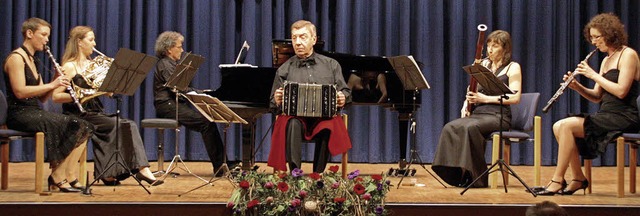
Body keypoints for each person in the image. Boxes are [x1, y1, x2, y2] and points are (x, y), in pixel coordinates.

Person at [534, 13, 640, 196]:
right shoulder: (606, 60)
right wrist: (577, 87)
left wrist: (592, 75)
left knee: (566, 125)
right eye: (591, 38)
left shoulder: (628, 55)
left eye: (597, 37)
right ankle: (578, 178)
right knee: (558, 126)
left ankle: (558, 180)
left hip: (625, 116)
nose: (594, 42)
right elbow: (597, 96)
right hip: (606, 114)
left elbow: (622, 91)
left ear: (610, 34)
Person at [52, 26, 163, 186]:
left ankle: (112, 173)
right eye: (90, 40)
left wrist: (112, 84)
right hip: (78, 114)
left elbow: (106, 93)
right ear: (79, 42)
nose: (94, 43)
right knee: (123, 124)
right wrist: (83, 95)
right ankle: (138, 170)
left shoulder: (93, 65)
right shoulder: (70, 66)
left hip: (96, 112)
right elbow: (56, 96)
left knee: (124, 125)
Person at [2, 18, 93, 192]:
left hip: (34, 111)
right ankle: (58, 176)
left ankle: (67, 174)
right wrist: (52, 85)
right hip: (19, 114)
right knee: (70, 124)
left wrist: (58, 83)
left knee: (85, 125)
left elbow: (43, 97)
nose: (47, 40)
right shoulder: (16, 58)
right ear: (29, 34)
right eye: (43, 35)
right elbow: (20, 91)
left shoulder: (34, 60)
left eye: (48, 36)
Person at [431, 30, 522, 188]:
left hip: (498, 116)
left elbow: (515, 98)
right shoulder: (484, 65)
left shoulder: (513, 68)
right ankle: (458, 175)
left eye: (495, 46)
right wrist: (465, 105)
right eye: (488, 45)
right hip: (479, 113)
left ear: (505, 48)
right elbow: (471, 90)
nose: (490, 49)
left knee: (470, 127)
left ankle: (477, 177)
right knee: (451, 126)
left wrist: (485, 99)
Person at [267, 20, 352, 173]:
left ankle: (317, 175)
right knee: (292, 122)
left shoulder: (331, 65)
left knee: (328, 125)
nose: (298, 42)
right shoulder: (284, 69)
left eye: (303, 37)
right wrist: (277, 99)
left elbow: (346, 92)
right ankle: (295, 174)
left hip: (322, 118)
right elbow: (272, 103)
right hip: (297, 120)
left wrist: (343, 98)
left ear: (314, 39)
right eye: (294, 38)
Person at [153, 31, 227, 176]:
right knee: (207, 123)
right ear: (169, 49)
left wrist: (201, 92)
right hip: (166, 105)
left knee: (208, 122)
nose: (182, 50)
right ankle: (220, 166)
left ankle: (223, 164)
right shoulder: (165, 64)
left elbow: (181, 88)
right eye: (179, 47)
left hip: (173, 104)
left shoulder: (171, 64)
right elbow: (177, 88)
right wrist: (201, 93)